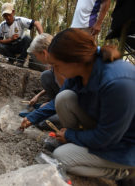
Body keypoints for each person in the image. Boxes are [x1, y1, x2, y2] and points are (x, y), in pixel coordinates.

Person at [47, 28, 135, 182]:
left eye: (57, 65)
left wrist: (69, 135)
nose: (55, 70)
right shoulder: (81, 71)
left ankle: (123, 172)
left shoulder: (117, 83)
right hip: (106, 131)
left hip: (125, 146)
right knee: (64, 98)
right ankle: (79, 144)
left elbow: (106, 138)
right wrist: (31, 118)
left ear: (74, 60)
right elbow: (56, 102)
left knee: (61, 157)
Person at [18, 33, 65, 132]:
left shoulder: (63, 68)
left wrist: (50, 106)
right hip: (64, 100)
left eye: (36, 55)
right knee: (46, 75)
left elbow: (66, 96)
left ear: (44, 53)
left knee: (41, 122)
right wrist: (38, 96)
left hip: (77, 109)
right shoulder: (54, 66)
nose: (36, 59)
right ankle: (54, 108)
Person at [0, 3, 43, 67]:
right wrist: (10, 39)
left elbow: (37, 23)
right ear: (3, 16)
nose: (8, 17)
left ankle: (21, 60)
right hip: (9, 46)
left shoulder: (20, 20)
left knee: (27, 38)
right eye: (5, 15)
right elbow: (0, 41)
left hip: (20, 45)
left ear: (13, 12)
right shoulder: (2, 25)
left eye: (9, 14)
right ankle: (12, 59)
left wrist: (42, 37)